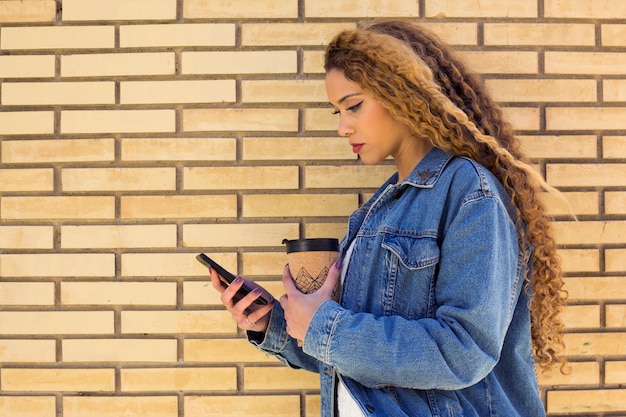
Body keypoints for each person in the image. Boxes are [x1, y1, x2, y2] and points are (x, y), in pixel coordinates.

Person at [210, 19, 568, 417]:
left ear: (403, 93)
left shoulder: (470, 193)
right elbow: (361, 362)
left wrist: (324, 327)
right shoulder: (378, 209)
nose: (344, 127)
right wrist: (277, 324)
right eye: (337, 112)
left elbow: (465, 350)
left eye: (354, 106)